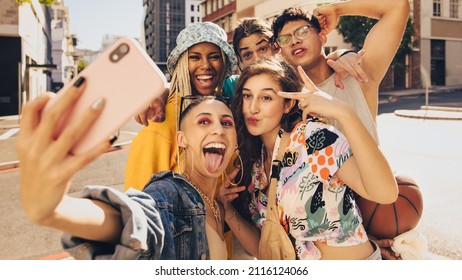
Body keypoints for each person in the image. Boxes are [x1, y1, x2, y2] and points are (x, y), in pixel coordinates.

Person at [18, 80, 238, 259]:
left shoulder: (220, 202)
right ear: (181, 139)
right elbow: (137, 218)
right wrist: (57, 210)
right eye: (204, 122)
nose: (218, 129)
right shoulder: (171, 195)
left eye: (226, 123)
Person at [270, 0, 411, 259]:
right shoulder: (287, 103)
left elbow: (397, 7)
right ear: (280, 51)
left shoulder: (358, 73)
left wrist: (336, 9)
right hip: (331, 236)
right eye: (285, 38)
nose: (294, 41)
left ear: (322, 34)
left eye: (302, 31)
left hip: (374, 207)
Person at [220, 57, 398, 260]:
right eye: (247, 96)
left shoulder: (311, 138)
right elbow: (266, 246)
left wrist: (343, 112)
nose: (253, 108)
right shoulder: (257, 169)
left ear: (288, 104)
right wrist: (226, 209)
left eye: (266, 98)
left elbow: (386, 193)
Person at [124, 22, 238, 191]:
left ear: (223, 63)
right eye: (195, 57)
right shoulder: (162, 121)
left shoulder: (228, 101)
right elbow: (138, 202)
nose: (205, 65)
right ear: (182, 63)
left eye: (214, 56)